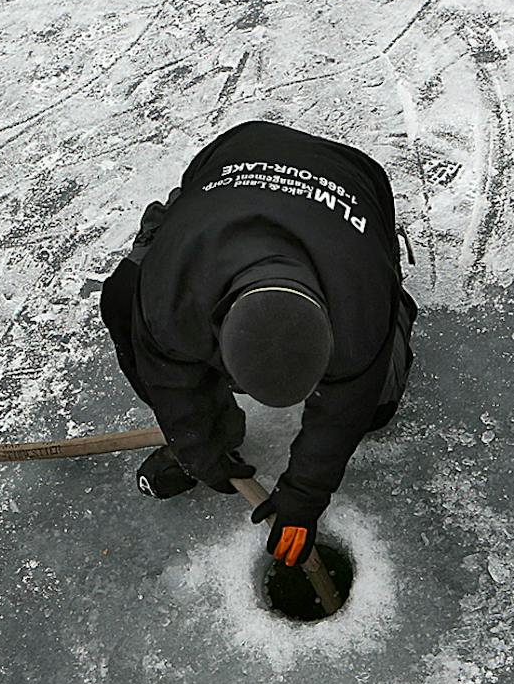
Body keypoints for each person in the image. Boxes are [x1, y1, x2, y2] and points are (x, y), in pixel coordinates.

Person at [98, 119, 416, 568]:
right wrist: (199, 449)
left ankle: (398, 310)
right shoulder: (172, 296)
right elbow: (169, 379)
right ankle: (220, 430)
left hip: (350, 182)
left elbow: (344, 410)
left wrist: (303, 498)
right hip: (233, 163)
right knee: (120, 300)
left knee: (376, 403)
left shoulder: (359, 311)